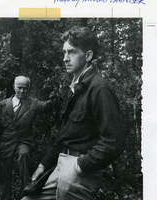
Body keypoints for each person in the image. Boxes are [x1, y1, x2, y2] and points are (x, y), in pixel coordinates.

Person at [22, 26, 126, 200]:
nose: (65, 58)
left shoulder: (99, 88)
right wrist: (43, 164)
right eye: (64, 52)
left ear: (88, 56)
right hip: (60, 166)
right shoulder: (75, 88)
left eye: (71, 52)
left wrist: (79, 166)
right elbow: (65, 135)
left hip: (80, 172)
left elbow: (113, 142)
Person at [0, 76, 53, 200]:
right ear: (14, 87)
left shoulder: (33, 103)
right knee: (4, 179)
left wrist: (59, 96)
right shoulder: (2, 105)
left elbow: (47, 106)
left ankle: (27, 192)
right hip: (5, 145)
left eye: (25, 88)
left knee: (24, 155)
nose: (22, 91)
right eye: (19, 87)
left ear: (29, 89)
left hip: (23, 143)